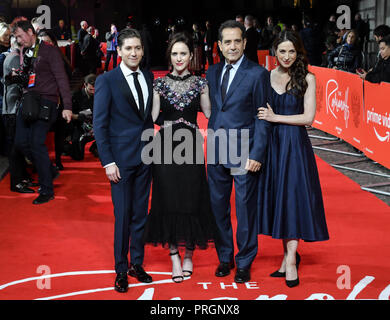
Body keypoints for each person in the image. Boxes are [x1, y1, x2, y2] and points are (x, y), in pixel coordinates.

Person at [257, 30, 329, 288]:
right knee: (279, 199)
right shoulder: (265, 78)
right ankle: (288, 254)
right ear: (274, 51)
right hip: (272, 147)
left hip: (295, 146)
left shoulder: (308, 78)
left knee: (292, 200)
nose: (286, 56)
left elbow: (308, 118)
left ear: (298, 53)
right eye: (282, 50)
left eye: (291, 51)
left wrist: (276, 117)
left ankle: (289, 261)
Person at [143, 32, 217, 283]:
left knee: (192, 197)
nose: (179, 58)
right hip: (165, 147)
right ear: (169, 56)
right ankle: (174, 254)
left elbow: (210, 112)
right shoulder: (159, 84)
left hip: (193, 146)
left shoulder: (200, 83)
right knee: (168, 197)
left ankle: (189, 254)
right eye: (174, 54)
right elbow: (152, 117)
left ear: (191, 55)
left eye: (183, 53)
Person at [206, 20, 272, 283]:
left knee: (244, 210)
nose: (232, 46)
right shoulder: (211, 72)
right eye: (227, 42)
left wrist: (257, 153)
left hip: (245, 152)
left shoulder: (257, 74)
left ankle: (244, 261)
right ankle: (225, 257)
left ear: (244, 43)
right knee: (218, 208)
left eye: (237, 41)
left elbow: (262, 117)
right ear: (219, 46)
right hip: (216, 149)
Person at [93, 28, 154, 293]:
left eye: (137, 48)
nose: (133, 53)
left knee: (140, 214)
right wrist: (108, 161)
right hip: (120, 161)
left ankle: (136, 264)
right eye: (128, 48)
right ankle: (121, 269)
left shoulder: (149, 76)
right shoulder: (107, 80)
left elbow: (147, 118)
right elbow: (99, 124)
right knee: (123, 215)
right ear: (119, 51)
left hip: (145, 158)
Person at [11, 19, 73, 204]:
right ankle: (50, 170)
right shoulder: (24, 51)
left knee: (37, 144)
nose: (19, 41)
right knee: (21, 142)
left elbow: (62, 79)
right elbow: (30, 77)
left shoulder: (49, 50)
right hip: (29, 101)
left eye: (20, 36)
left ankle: (47, 190)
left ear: (30, 31)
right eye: (16, 38)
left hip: (47, 102)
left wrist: (68, 107)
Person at [69, 73, 96, 160]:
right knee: (78, 157)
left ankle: (95, 147)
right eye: (91, 89)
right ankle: (66, 148)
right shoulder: (76, 95)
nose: (93, 91)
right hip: (78, 124)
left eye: (95, 89)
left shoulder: (99, 94)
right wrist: (78, 116)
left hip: (94, 124)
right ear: (85, 85)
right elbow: (69, 113)